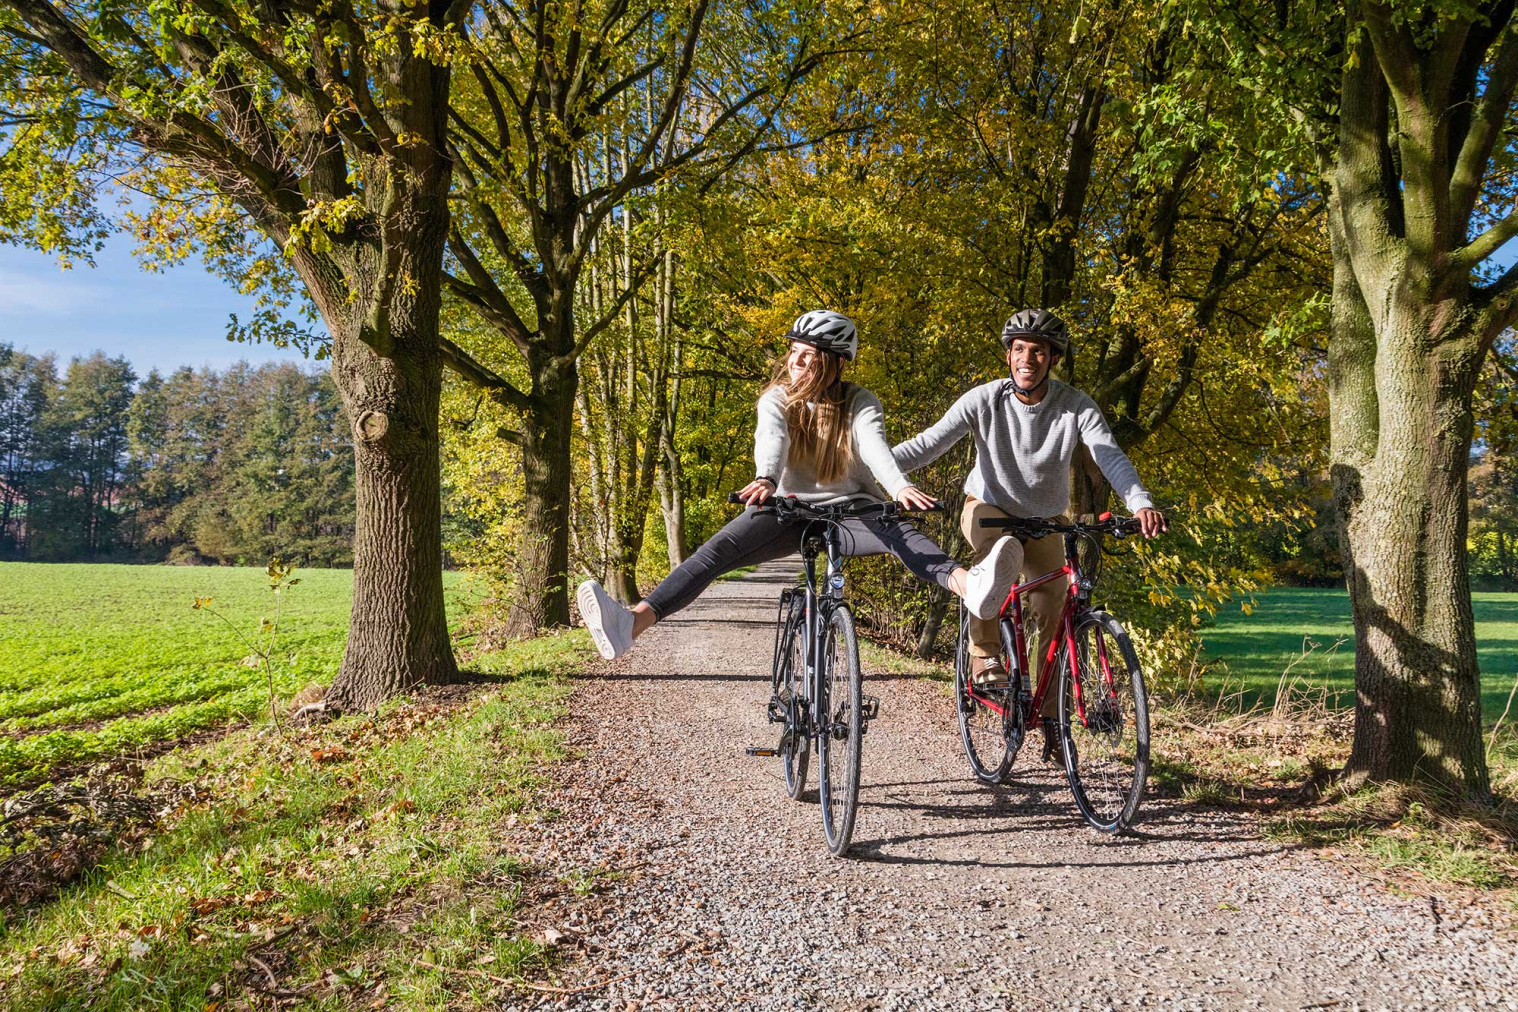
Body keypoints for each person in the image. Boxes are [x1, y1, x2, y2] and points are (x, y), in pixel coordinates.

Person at [577, 310, 1024, 661]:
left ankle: (973, 587)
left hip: (852, 512)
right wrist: (766, 478)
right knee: (714, 552)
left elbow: (874, 446)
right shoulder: (776, 399)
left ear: (832, 363)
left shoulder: (859, 402)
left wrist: (897, 486)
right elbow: (772, 440)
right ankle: (630, 624)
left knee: (899, 531)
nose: (796, 361)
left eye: (808, 354)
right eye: (794, 351)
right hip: (787, 508)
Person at [892, 309, 1167, 750]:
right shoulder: (984, 400)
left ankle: (1052, 717)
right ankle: (984, 658)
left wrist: (1140, 502)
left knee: (1054, 609)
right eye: (1018, 349)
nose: (1027, 358)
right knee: (997, 557)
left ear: (1052, 358)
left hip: (1045, 520)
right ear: (1008, 356)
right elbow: (928, 444)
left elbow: (1108, 454)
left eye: (1037, 351)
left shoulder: (1075, 405)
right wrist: (873, 468)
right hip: (988, 508)